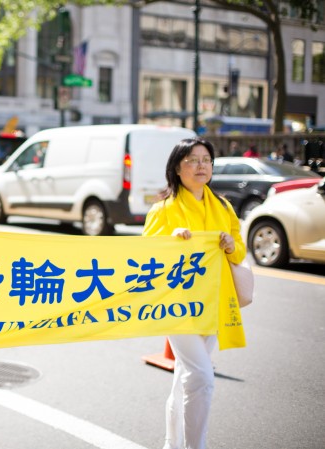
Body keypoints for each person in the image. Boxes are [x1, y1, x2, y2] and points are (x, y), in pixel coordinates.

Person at [143, 137, 246, 449]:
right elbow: (144, 257)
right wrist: (171, 240)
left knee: (186, 377)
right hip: (177, 308)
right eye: (193, 160)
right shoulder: (163, 210)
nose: (201, 166)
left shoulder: (224, 207)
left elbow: (240, 252)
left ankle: (171, 443)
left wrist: (231, 246)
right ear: (177, 168)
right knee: (201, 378)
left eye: (206, 160)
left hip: (214, 302)